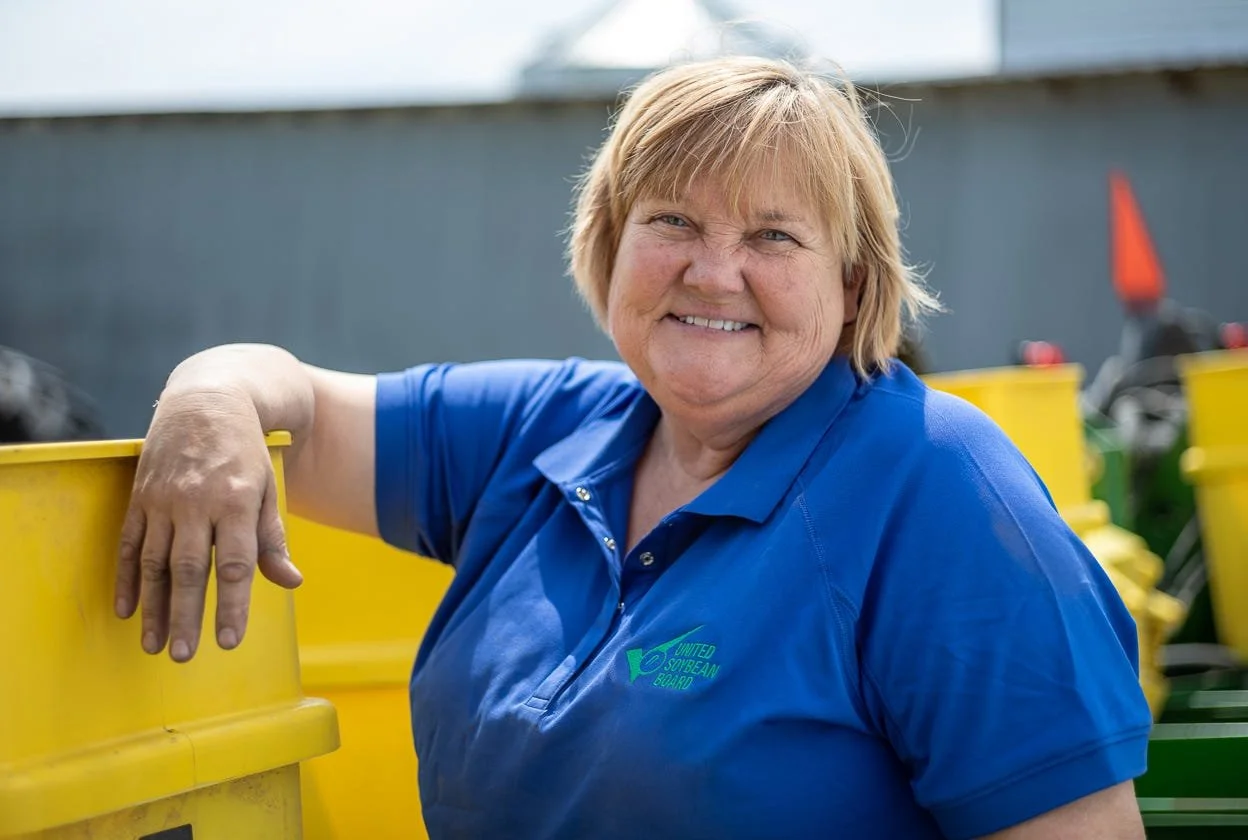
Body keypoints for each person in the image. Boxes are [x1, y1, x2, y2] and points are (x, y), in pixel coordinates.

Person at [115, 56, 1152, 839]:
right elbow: (300, 413)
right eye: (672, 221)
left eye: (773, 235)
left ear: (851, 285)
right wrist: (208, 394)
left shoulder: (937, 484)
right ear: (611, 245)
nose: (712, 271)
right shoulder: (543, 429)